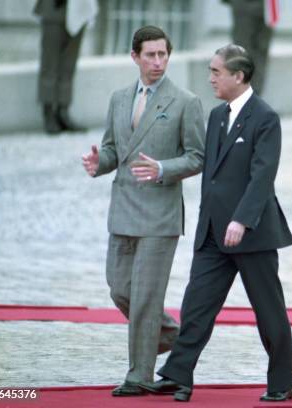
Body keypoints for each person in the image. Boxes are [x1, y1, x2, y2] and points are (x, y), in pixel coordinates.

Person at [140, 44, 292, 403]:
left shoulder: (265, 117)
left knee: (268, 311)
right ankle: (178, 375)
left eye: (216, 72)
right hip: (213, 233)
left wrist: (242, 219)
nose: (210, 78)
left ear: (238, 76)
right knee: (196, 305)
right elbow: (211, 174)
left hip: (251, 234)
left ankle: (282, 382)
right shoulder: (217, 115)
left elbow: (263, 177)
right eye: (210, 71)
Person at [81, 25, 205, 397]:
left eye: (163, 54)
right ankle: (179, 341)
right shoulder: (119, 99)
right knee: (120, 288)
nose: (157, 61)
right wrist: (97, 162)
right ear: (134, 57)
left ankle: (140, 375)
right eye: (150, 55)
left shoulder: (185, 101)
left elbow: (198, 156)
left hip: (159, 215)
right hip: (122, 211)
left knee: (148, 298)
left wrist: (164, 169)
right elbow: (113, 150)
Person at [34, 0, 97, 134]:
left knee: (69, 65)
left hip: (79, 8)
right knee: (49, 63)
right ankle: (49, 113)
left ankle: (63, 112)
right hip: (54, 8)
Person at [222, 0, 276, 95]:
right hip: (252, 5)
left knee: (254, 51)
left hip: (265, 6)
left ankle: (251, 97)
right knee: (247, 51)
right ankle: (249, 97)